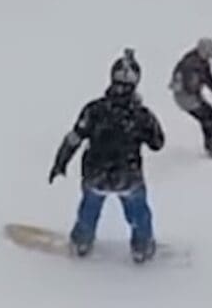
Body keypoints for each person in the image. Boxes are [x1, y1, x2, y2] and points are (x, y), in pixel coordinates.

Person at [48, 48, 165, 263]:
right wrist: (147, 123)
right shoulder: (141, 116)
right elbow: (158, 143)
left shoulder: (94, 110)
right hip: (127, 176)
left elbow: (74, 137)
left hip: (96, 174)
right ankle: (142, 245)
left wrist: (60, 162)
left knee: (90, 207)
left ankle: (82, 241)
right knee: (138, 211)